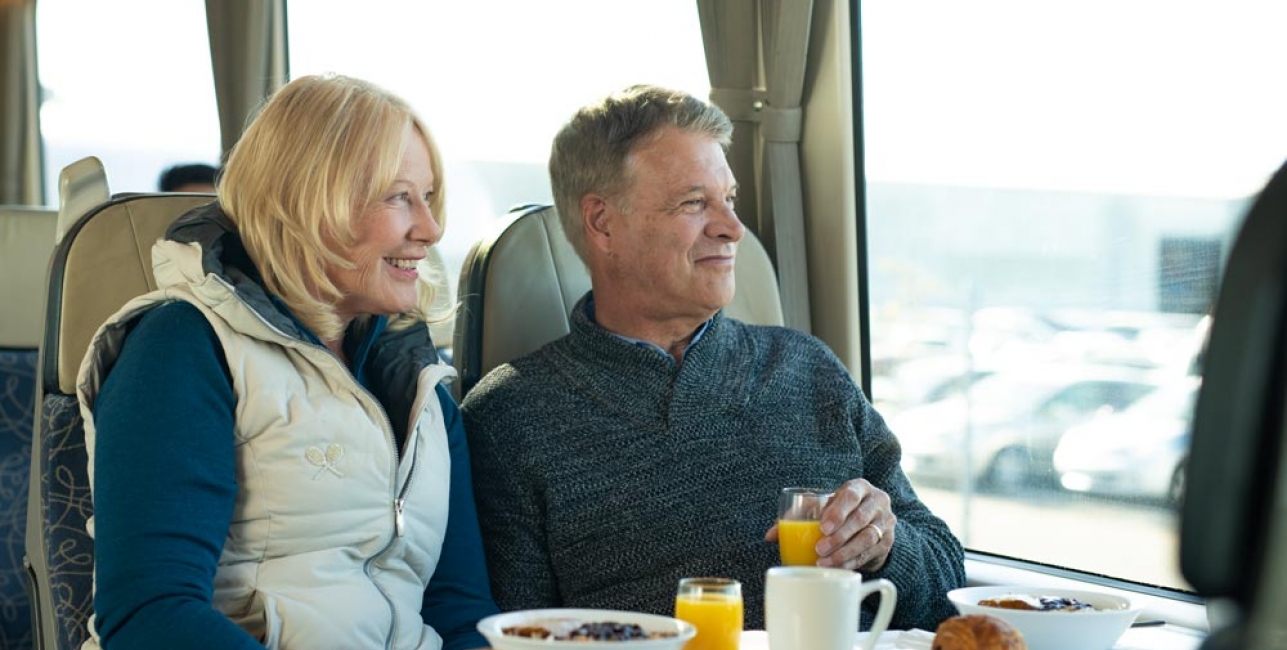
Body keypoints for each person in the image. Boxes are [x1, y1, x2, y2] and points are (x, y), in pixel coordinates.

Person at [461, 84, 966, 632]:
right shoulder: (509, 419)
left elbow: (948, 583)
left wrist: (886, 547)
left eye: (730, 199)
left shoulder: (808, 368)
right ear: (603, 222)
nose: (732, 228)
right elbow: (521, 637)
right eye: (695, 202)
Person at [79, 74, 497, 650]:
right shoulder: (182, 348)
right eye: (400, 196)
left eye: (428, 197)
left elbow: (458, 611)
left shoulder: (422, 387)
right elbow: (152, 616)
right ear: (309, 201)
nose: (430, 228)